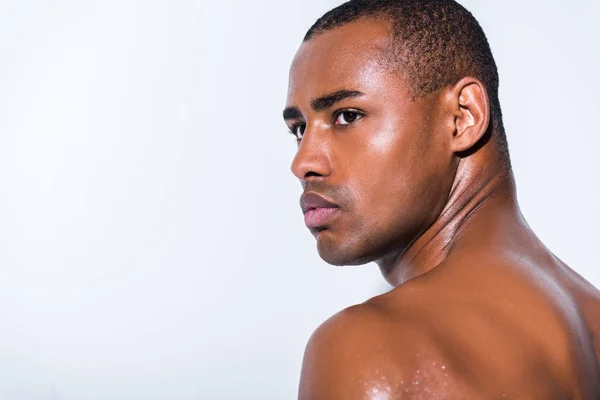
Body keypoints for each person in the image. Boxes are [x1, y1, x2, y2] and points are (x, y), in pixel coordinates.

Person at [282, 0, 600, 398]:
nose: (303, 162)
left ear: (462, 116)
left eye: (347, 116)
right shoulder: (591, 318)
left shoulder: (371, 347)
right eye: (299, 128)